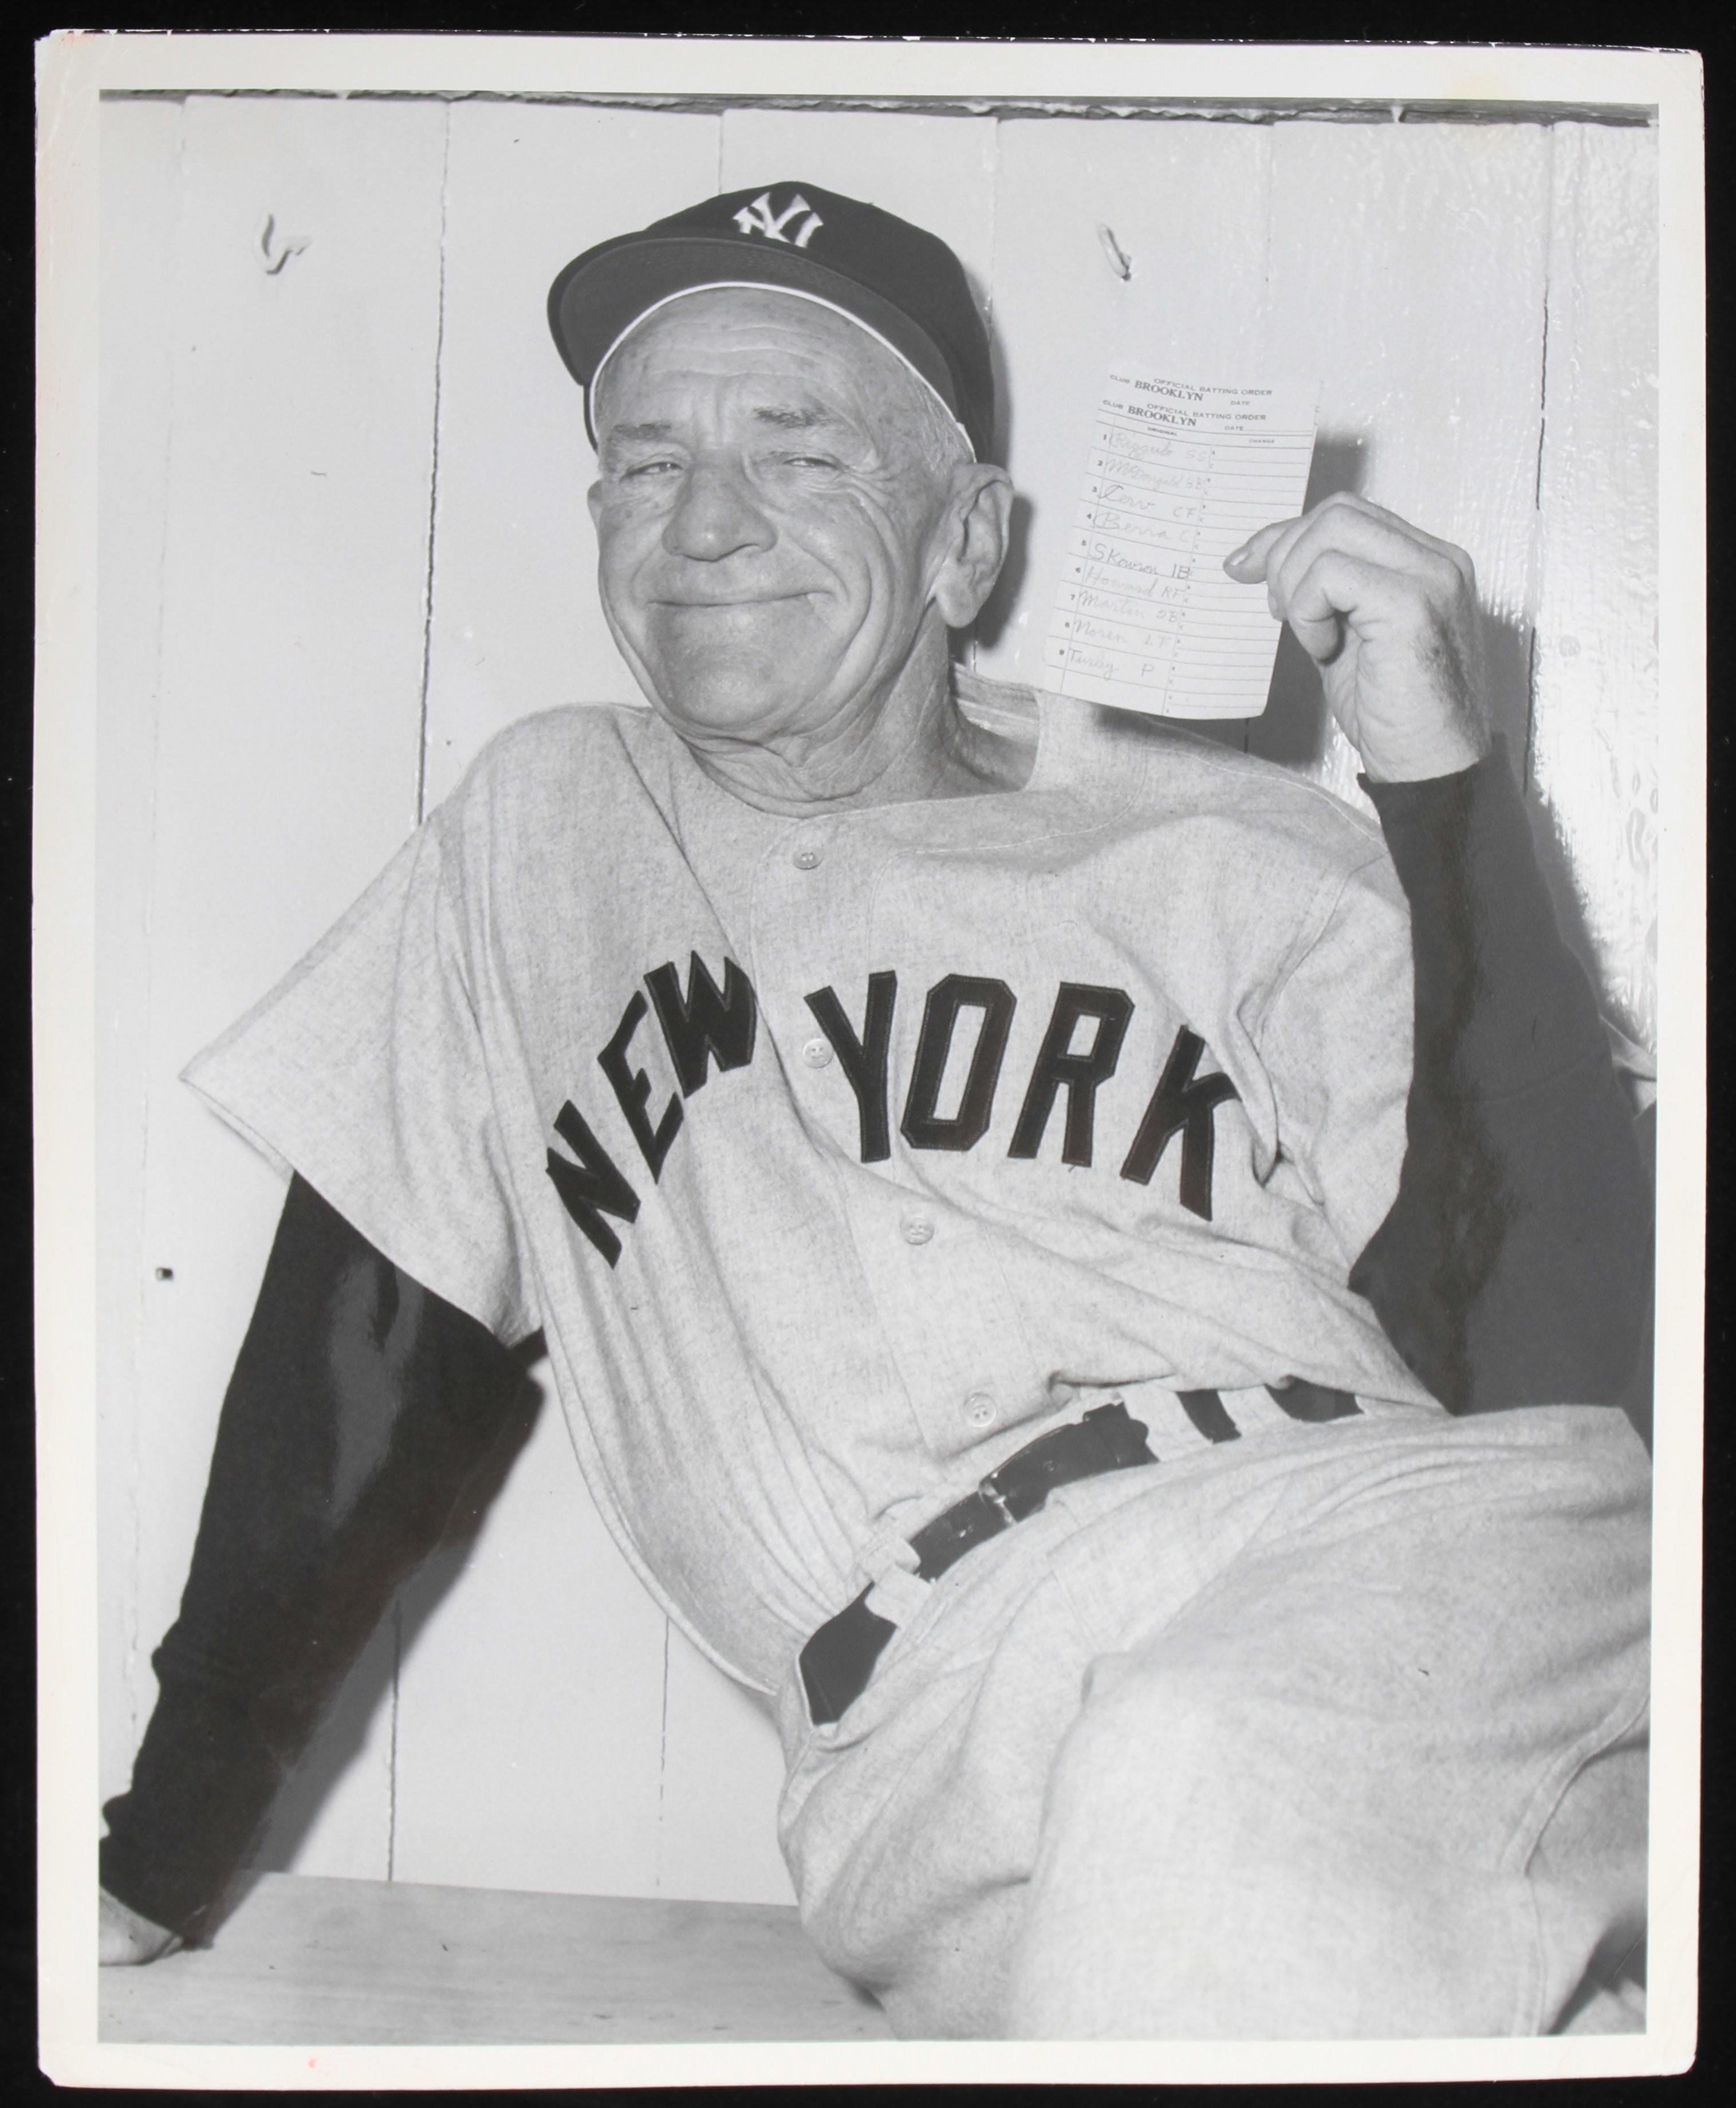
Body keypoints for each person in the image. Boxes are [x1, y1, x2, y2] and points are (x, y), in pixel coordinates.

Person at [98, 182, 1653, 2039]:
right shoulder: (541, 838)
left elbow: (1558, 1359)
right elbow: (356, 1359)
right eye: (642, 458)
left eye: (798, 445)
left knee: (1212, 1765)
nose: (704, 520)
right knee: (1197, 1848)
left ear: (965, 542)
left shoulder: (1231, 838)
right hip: (935, 1734)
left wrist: (1435, 783)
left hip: (1400, 1548)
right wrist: (156, 1849)